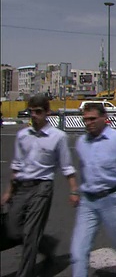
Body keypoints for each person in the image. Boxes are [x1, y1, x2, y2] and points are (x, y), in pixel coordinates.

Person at [1, 94, 78, 277]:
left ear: (47, 112)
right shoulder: (22, 135)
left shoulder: (58, 137)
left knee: (30, 233)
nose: (34, 115)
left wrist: (74, 190)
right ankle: (45, 245)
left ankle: (25, 273)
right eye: (31, 111)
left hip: (42, 188)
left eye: (38, 112)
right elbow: (17, 166)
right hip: (21, 187)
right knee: (12, 229)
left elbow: (67, 166)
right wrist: (8, 192)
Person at [70, 103, 116, 277]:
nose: (88, 123)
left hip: (112, 201)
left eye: (92, 119)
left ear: (105, 118)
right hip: (88, 202)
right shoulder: (82, 142)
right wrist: (77, 191)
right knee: (78, 251)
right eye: (85, 120)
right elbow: (84, 170)